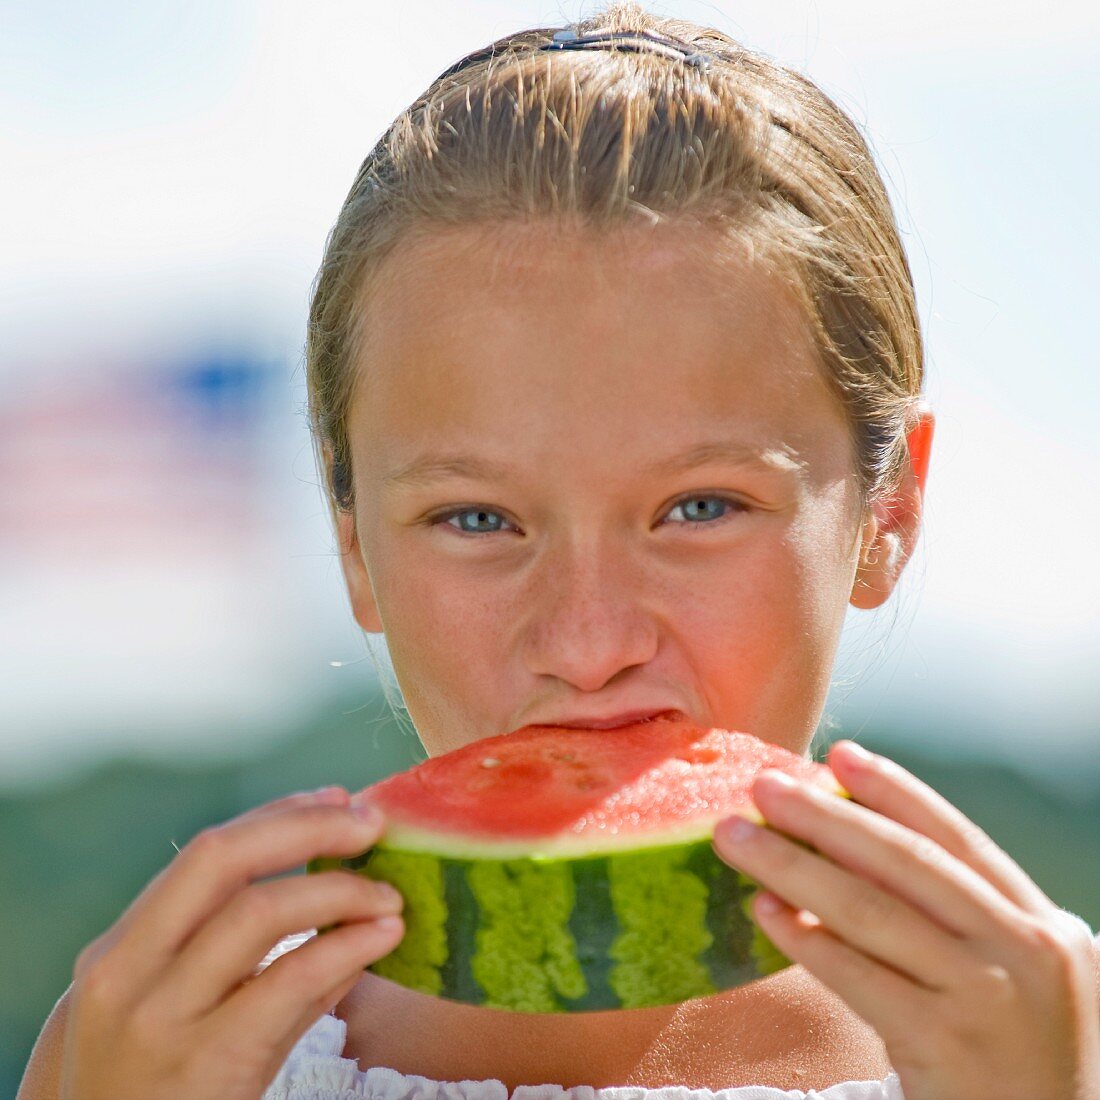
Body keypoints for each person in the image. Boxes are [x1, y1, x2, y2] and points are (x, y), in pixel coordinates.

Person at [18, 3, 1100, 1099]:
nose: (587, 642)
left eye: (699, 507)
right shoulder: (152, 1056)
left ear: (889, 509)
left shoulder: (1041, 1048)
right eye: (478, 520)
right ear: (353, 549)